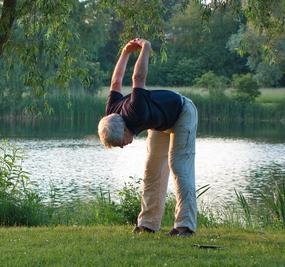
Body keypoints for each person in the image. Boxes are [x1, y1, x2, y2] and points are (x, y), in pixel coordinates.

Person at [98, 38, 198, 236]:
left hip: (183, 112)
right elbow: (116, 81)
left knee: (178, 165)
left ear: (124, 129)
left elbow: (138, 78)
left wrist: (145, 48)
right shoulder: (112, 112)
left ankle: (185, 226)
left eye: (120, 143)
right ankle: (148, 224)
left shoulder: (136, 111)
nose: (123, 146)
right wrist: (125, 52)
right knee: (152, 170)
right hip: (160, 123)